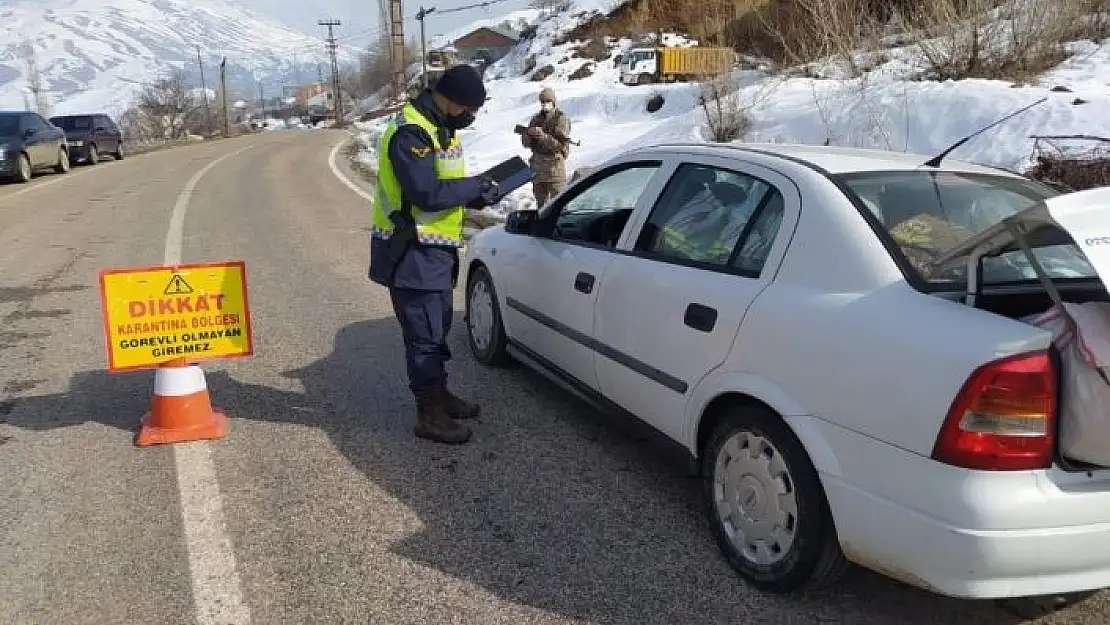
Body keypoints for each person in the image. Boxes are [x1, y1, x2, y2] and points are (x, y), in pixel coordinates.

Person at [368, 64, 502, 445]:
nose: (470, 117)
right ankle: (428, 414)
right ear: (451, 100)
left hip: (435, 251)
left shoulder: (440, 128)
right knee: (424, 335)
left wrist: (478, 192)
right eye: (468, 109)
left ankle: (439, 395)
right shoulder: (411, 132)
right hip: (412, 252)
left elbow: (444, 184)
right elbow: (425, 193)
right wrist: (473, 186)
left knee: (438, 327)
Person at [520, 87, 572, 207]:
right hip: (538, 172)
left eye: (548, 101)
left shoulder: (561, 119)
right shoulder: (536, 119)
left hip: (554, 172)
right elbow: (525, 143)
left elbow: (559, 146)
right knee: (541, 208)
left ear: (553, 102)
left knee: (559, 207)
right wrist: (528, 134)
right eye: (543, 102)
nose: (545, 104)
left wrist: (542, 136)